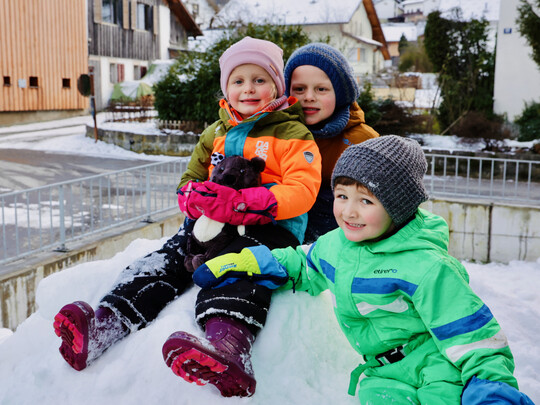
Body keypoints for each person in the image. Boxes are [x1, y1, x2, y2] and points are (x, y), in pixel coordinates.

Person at [53, 37, 322, 398]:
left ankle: (229, 348)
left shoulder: (292, 134)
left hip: (269, 229)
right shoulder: (216, 133)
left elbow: (302, 190)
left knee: (238, 268)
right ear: (226, 87)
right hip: (210, 224)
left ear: (276, 86)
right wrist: (192, 198)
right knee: (164, 260)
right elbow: (189, 179)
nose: (248, 89)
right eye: (238, 81)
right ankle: (105, 324)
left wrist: (242, 203)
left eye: (259, 80)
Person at [192, 135, 535, 404]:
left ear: (398, 208)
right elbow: (304, 264)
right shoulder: (337, 245)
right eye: (342, 196)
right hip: (382, 374)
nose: (349, 212)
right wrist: (248, 262)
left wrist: (491, 388)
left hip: (438, 369)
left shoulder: (428, 267)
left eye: (366, 200)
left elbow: (472, 334)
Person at [284, 43, 379, 243]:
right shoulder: (280, 134)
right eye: (299, 89)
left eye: (321, 89)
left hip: (344, 239)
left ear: (341, 94)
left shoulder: (362, 141)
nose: (309, 97)